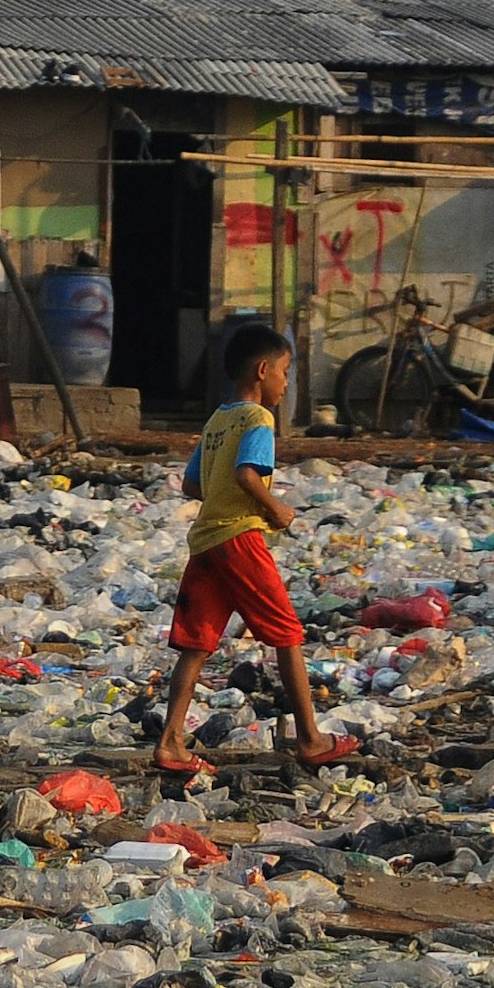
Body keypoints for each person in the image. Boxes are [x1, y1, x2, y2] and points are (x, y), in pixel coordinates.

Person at [154, 321, 353, 772]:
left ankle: (171, 742)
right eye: (285, 372)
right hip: (240, 539)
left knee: (197, 645)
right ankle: (311, 738)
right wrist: (277, 509)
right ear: (263, 370)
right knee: (288, 635)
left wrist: (221, 495)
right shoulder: (258, 419)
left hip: (206, 542)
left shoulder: (217, 420)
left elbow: (191, 483)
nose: (286, 383)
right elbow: (247, 474)